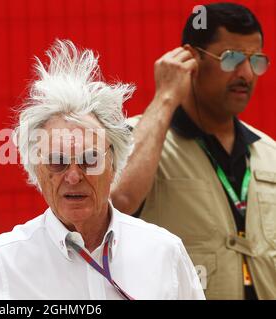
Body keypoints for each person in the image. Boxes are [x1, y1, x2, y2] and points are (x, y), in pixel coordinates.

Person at [0, 40, 205, 300]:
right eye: (57, 161)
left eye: (90, 160)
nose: (74, 176)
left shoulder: (164, 253)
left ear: (113, 164)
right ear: (37, 170)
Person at [111, 3, 276, 300]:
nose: (247, 74)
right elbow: (118, 200)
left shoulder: (269, 153)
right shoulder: (141, 141)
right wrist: (165, 96)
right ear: (190, 59)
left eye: (256, 60)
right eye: (232, 59)